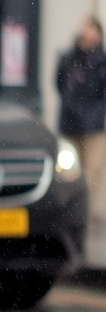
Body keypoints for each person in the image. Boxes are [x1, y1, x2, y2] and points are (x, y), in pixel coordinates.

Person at [56, 16, 106, 215]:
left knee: (91, 174)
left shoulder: (102, 61)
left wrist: (95, 114)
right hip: (70, 124)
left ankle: (87, 214)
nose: (86, 33)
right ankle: (69, 213)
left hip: (94, 128)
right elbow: (59, 84)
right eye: (85, 28)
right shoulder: (68, 58)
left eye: (91, 29)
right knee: (68, 172)